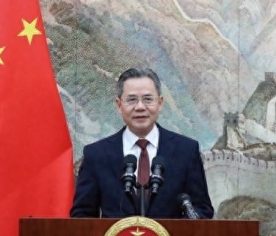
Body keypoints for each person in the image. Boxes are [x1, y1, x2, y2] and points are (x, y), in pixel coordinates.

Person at [70, 67, 214, 219]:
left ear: (160, 103)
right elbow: (82, 216)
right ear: (119, 105)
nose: (140, 107)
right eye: (132, 100)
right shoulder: (96, 154)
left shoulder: (186, 151)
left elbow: (202, 209)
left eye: (147, 99)